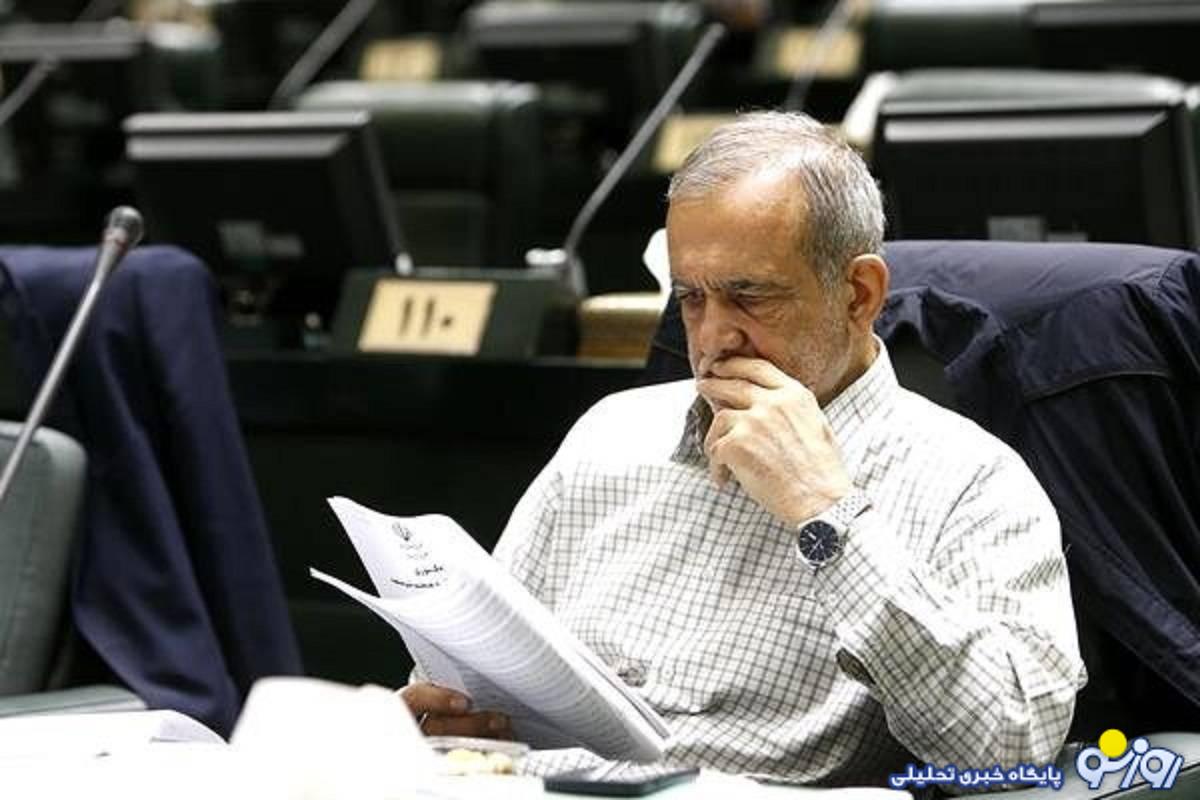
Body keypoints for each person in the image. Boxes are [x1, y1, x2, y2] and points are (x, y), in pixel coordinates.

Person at [401, 111, 1087, 785]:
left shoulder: (970, 480)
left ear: (859, 294)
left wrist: (827, 512)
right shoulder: (611, 433)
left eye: (750, 296)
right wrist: (448, 719)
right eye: (691, 298)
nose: (713, 337)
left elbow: (1010, 745)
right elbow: (468, 680)